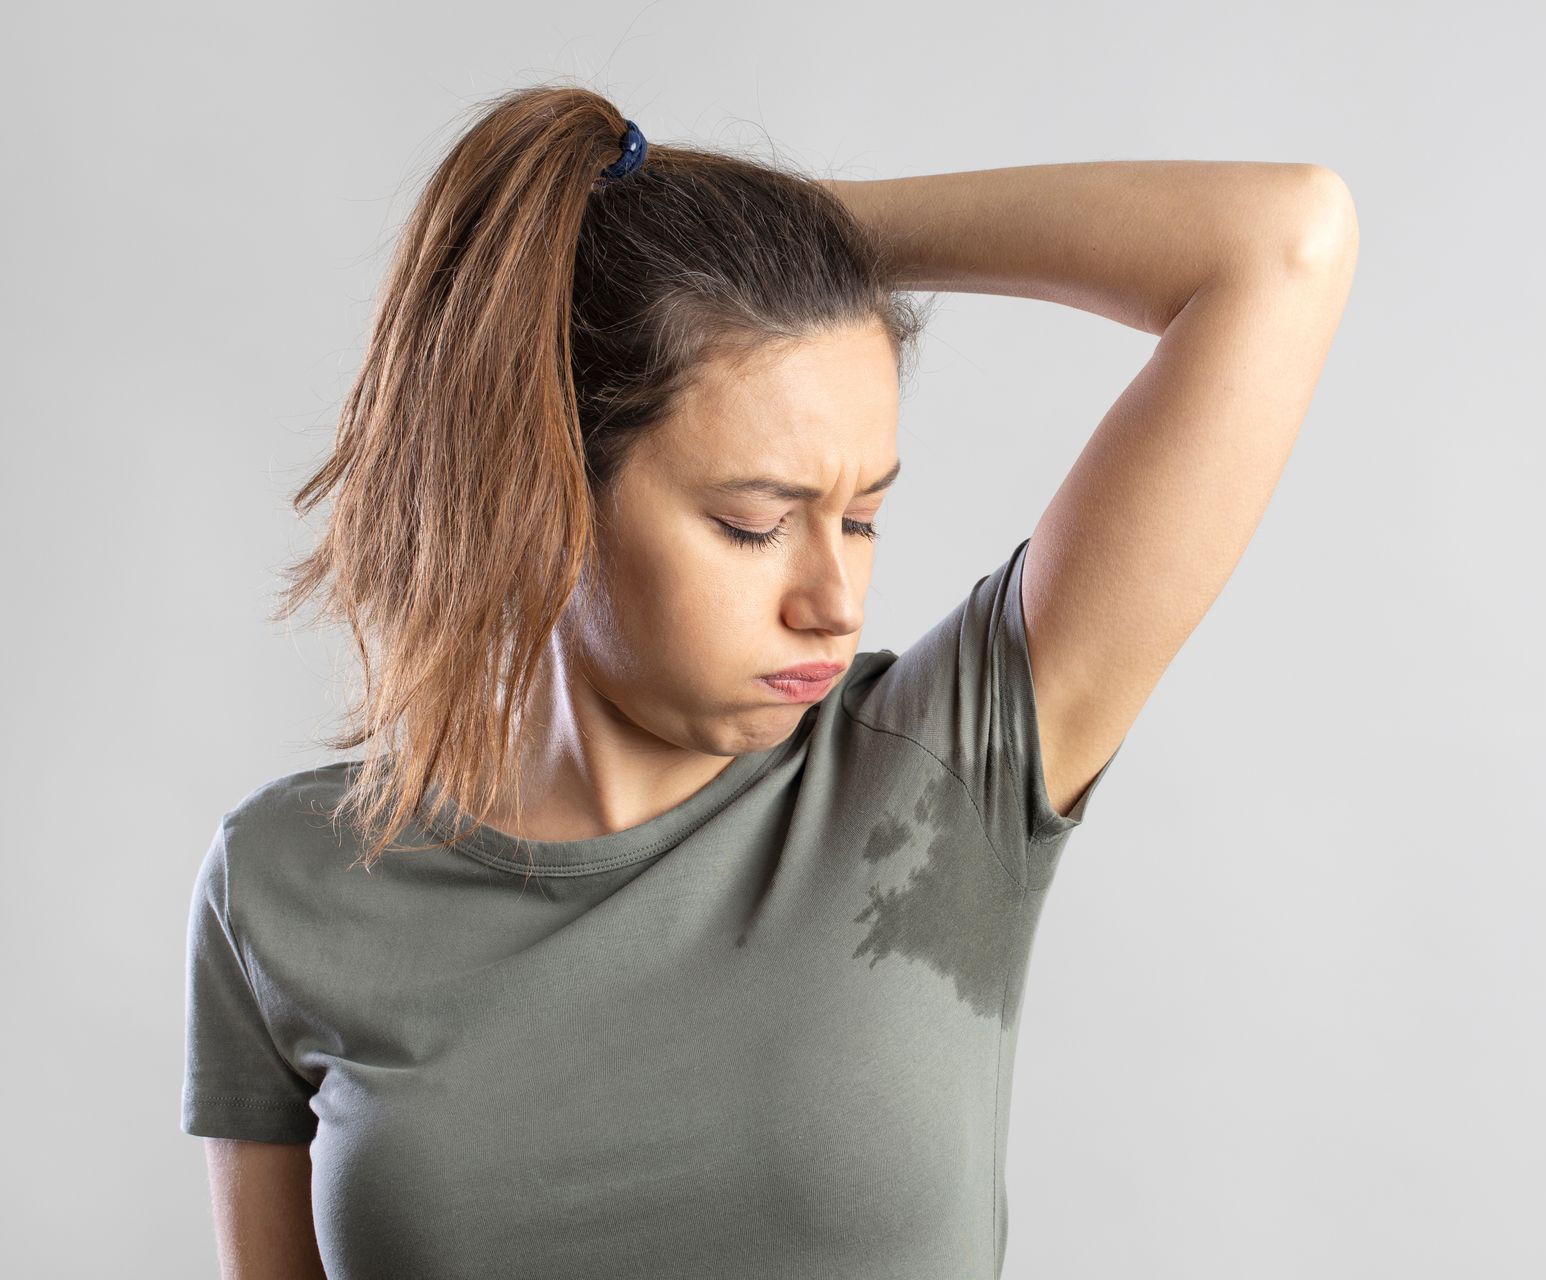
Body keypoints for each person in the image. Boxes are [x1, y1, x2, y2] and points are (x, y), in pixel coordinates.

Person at [180, 81, 1358, 1279]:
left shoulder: (948, 770)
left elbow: (1284, 241)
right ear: (544, 493)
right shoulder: (285, 886)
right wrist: (564, 285)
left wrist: (752, 232)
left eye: (861, 519)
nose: (834, 601)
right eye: (754, 522)